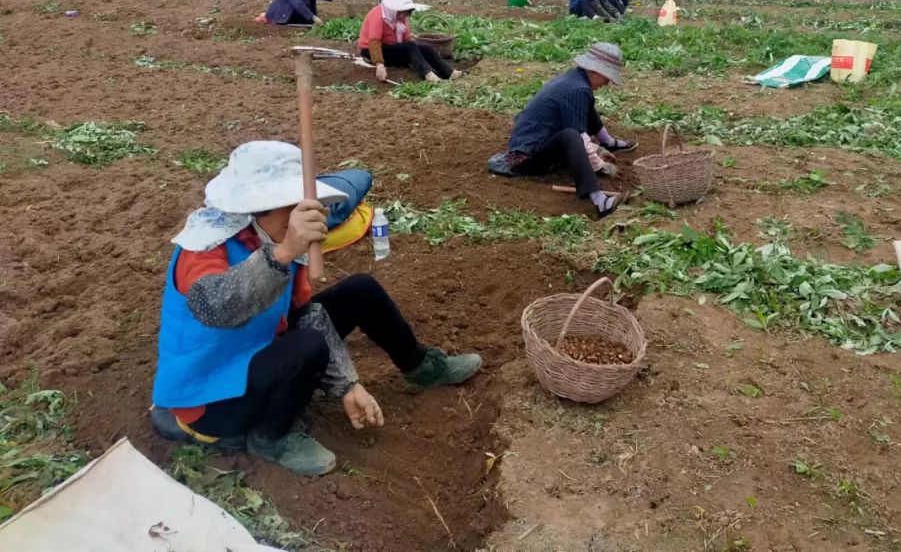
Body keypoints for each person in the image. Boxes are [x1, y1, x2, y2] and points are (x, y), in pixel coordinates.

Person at [149, 141, 483, 476]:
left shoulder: (275, 238)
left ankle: (420, 366)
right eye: (292, 207)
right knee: (307, 345)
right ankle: (270, 436)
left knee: (359, 291)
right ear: (258, 208)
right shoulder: (205, 246)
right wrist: (282, 254)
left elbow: (306, 314)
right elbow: (217, 308)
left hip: (257, 353)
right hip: (211, 400)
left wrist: (348, 384)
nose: (304, 216)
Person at [506, 44, 636, 218]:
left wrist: (601, 145)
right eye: (606, 79)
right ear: (596, 71)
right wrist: (600, 166)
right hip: (525, 159)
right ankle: (600, 201)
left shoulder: (575, 80)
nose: (606, 84)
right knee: (572, 137)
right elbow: (580, 138)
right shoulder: (578, 89)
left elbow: (587, 112)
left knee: (585, 109)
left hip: (534, 143)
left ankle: (608, 141)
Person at [358, 0, 461, 83]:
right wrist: (379, 64)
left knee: (427, 49)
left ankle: (449, 73)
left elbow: (407, 38)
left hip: (392, 48)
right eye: (402, 12)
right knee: (410, 47)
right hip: (371, 51)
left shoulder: (399, 16)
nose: (404, 16)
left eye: (406, 13)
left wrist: (417, 50)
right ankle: (427, 74)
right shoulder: (377, 16)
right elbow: (374, 42)